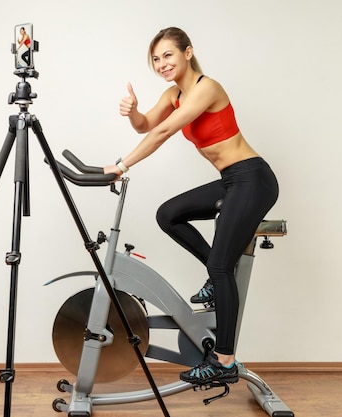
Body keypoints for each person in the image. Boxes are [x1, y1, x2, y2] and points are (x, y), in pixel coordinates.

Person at [104, 27, 279, 385]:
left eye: (168, 55)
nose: (161, 64)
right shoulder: (173, 95)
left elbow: (165, 132)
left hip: (253, 179)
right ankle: (217, 278)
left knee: (220, 265)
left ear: (187, 53)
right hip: (231, 180)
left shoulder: (207, 88)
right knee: (169, 215)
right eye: (155, 59)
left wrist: (121, 165)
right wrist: (133, 112)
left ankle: (224, 361)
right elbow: (146, 127)